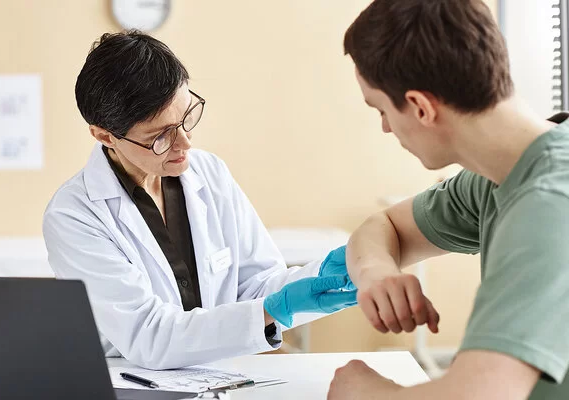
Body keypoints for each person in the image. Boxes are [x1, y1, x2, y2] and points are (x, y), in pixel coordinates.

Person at [43, 31, 357, 370]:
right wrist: (272, 309)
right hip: (136, 385)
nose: (185, 143)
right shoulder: (74, 215)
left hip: (223, 375)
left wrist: (315, 281)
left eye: (186, 117)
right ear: (105, 135)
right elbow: (148, 336)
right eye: (160, 136)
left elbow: (258, 287)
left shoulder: (209, 172)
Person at [328, 0, 569, 399]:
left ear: (421, 107)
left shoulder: (549, 202)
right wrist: (377, 273)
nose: (387, 128)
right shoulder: (497, 177)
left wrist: (361, 392)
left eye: (382, 110)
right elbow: (383, 226)